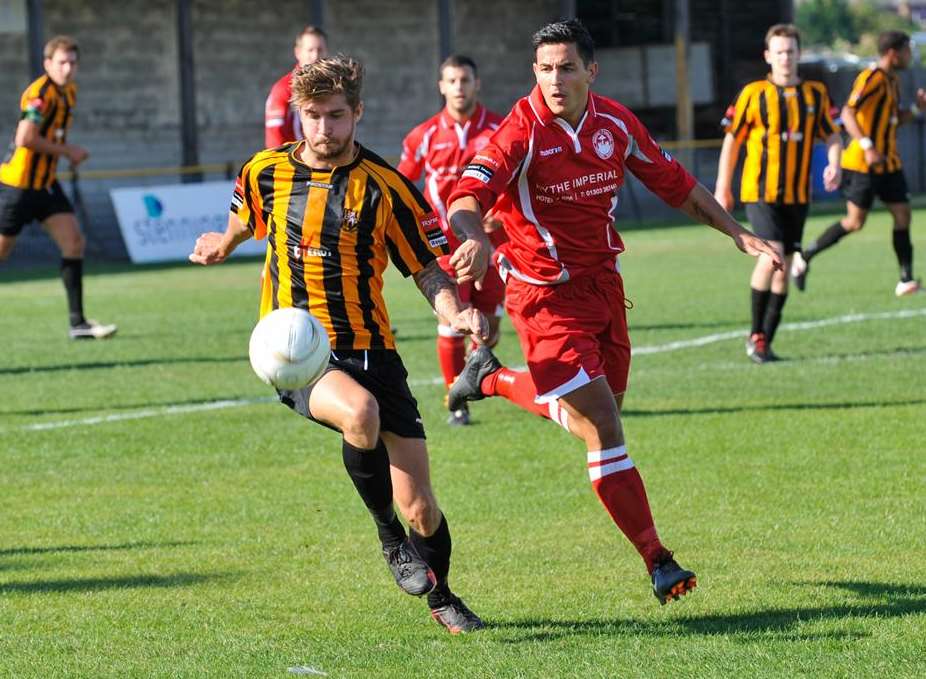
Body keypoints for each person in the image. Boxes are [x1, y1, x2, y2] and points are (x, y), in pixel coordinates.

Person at [444, 20, 783, 605]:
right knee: (604, 425)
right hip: (542, 298)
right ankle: (659, 559)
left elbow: (676, 184)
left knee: (595, 426)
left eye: (566, 67)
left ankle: (492, 379)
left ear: (590, 71)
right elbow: (465, 197)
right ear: (535, 73)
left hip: (604, 290)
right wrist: (473, 236)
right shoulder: (518, 132)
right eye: (545, 68)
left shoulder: (615, 124)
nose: (555, 79)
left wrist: (735, 232)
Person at [191, 56, 487, 634]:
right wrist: (221, 244)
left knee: (422, 507)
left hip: (374, 349)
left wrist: (458, 313)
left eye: (335, 116)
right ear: (298, 114)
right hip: (298, 351)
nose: (323, 130)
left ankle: (443, 598)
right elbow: (241, 221)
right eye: (312, 116)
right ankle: (387, 541)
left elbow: (427, 270)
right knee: (361, 413)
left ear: (358, 113)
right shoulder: (264, 172)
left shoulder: (386, 186)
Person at [714, 24, 842, 363]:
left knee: (783, 265)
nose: (786, 57)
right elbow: (733, 141)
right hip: (760, 191)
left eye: (791, 51)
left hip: (798, 195)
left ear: (799, 54)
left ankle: (764, 341)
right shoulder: (753, 94)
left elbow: (832, 136)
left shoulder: (815, 94)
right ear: (768, 56)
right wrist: (722, 187)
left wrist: (835, 163)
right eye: (780, 51)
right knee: (773, 254)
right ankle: (756, 333)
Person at [398, 55, 506, 425]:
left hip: (493, 248)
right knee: (452, 322)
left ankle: (477, 375)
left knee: (489, 328)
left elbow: (518, 179)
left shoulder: (501, 129)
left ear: (477, 84)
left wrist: (501, 213)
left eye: (465, 80)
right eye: (452, 81)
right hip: (444, 249)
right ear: (441, 86)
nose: (459, 87)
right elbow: (401, 187)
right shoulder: (423, 136)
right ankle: (455, 400)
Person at [791, 30, 926, 298]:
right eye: (907, 50)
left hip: (888, 164)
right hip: (863, 164)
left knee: (903, 214)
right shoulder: (871, 78)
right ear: (893, 53)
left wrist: (917, 110)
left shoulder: (892, 81)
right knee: (855, 222)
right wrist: (867, 145)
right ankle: (804, 256)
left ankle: (906, 279)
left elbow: (893, 119)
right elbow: (847, 112)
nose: (910, 56)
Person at [0, 35, 116, 340]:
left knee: (74, 242)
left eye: (73, 62)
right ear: (47, 64)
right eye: (61, 62)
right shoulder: (39, 95)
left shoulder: (70, 93)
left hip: (46, 185)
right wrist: (68, 151)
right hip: (18, 186)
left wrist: (62, 151)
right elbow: (25, 137)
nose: (68, 68)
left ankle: (78, 324)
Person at [264, 25, 329, 147]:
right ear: (298, 52)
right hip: (295, 162)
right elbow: (274, 137)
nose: (315, 56)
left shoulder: (334, 86)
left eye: (320, 50)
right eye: (310, 50)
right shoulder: (284, 88)